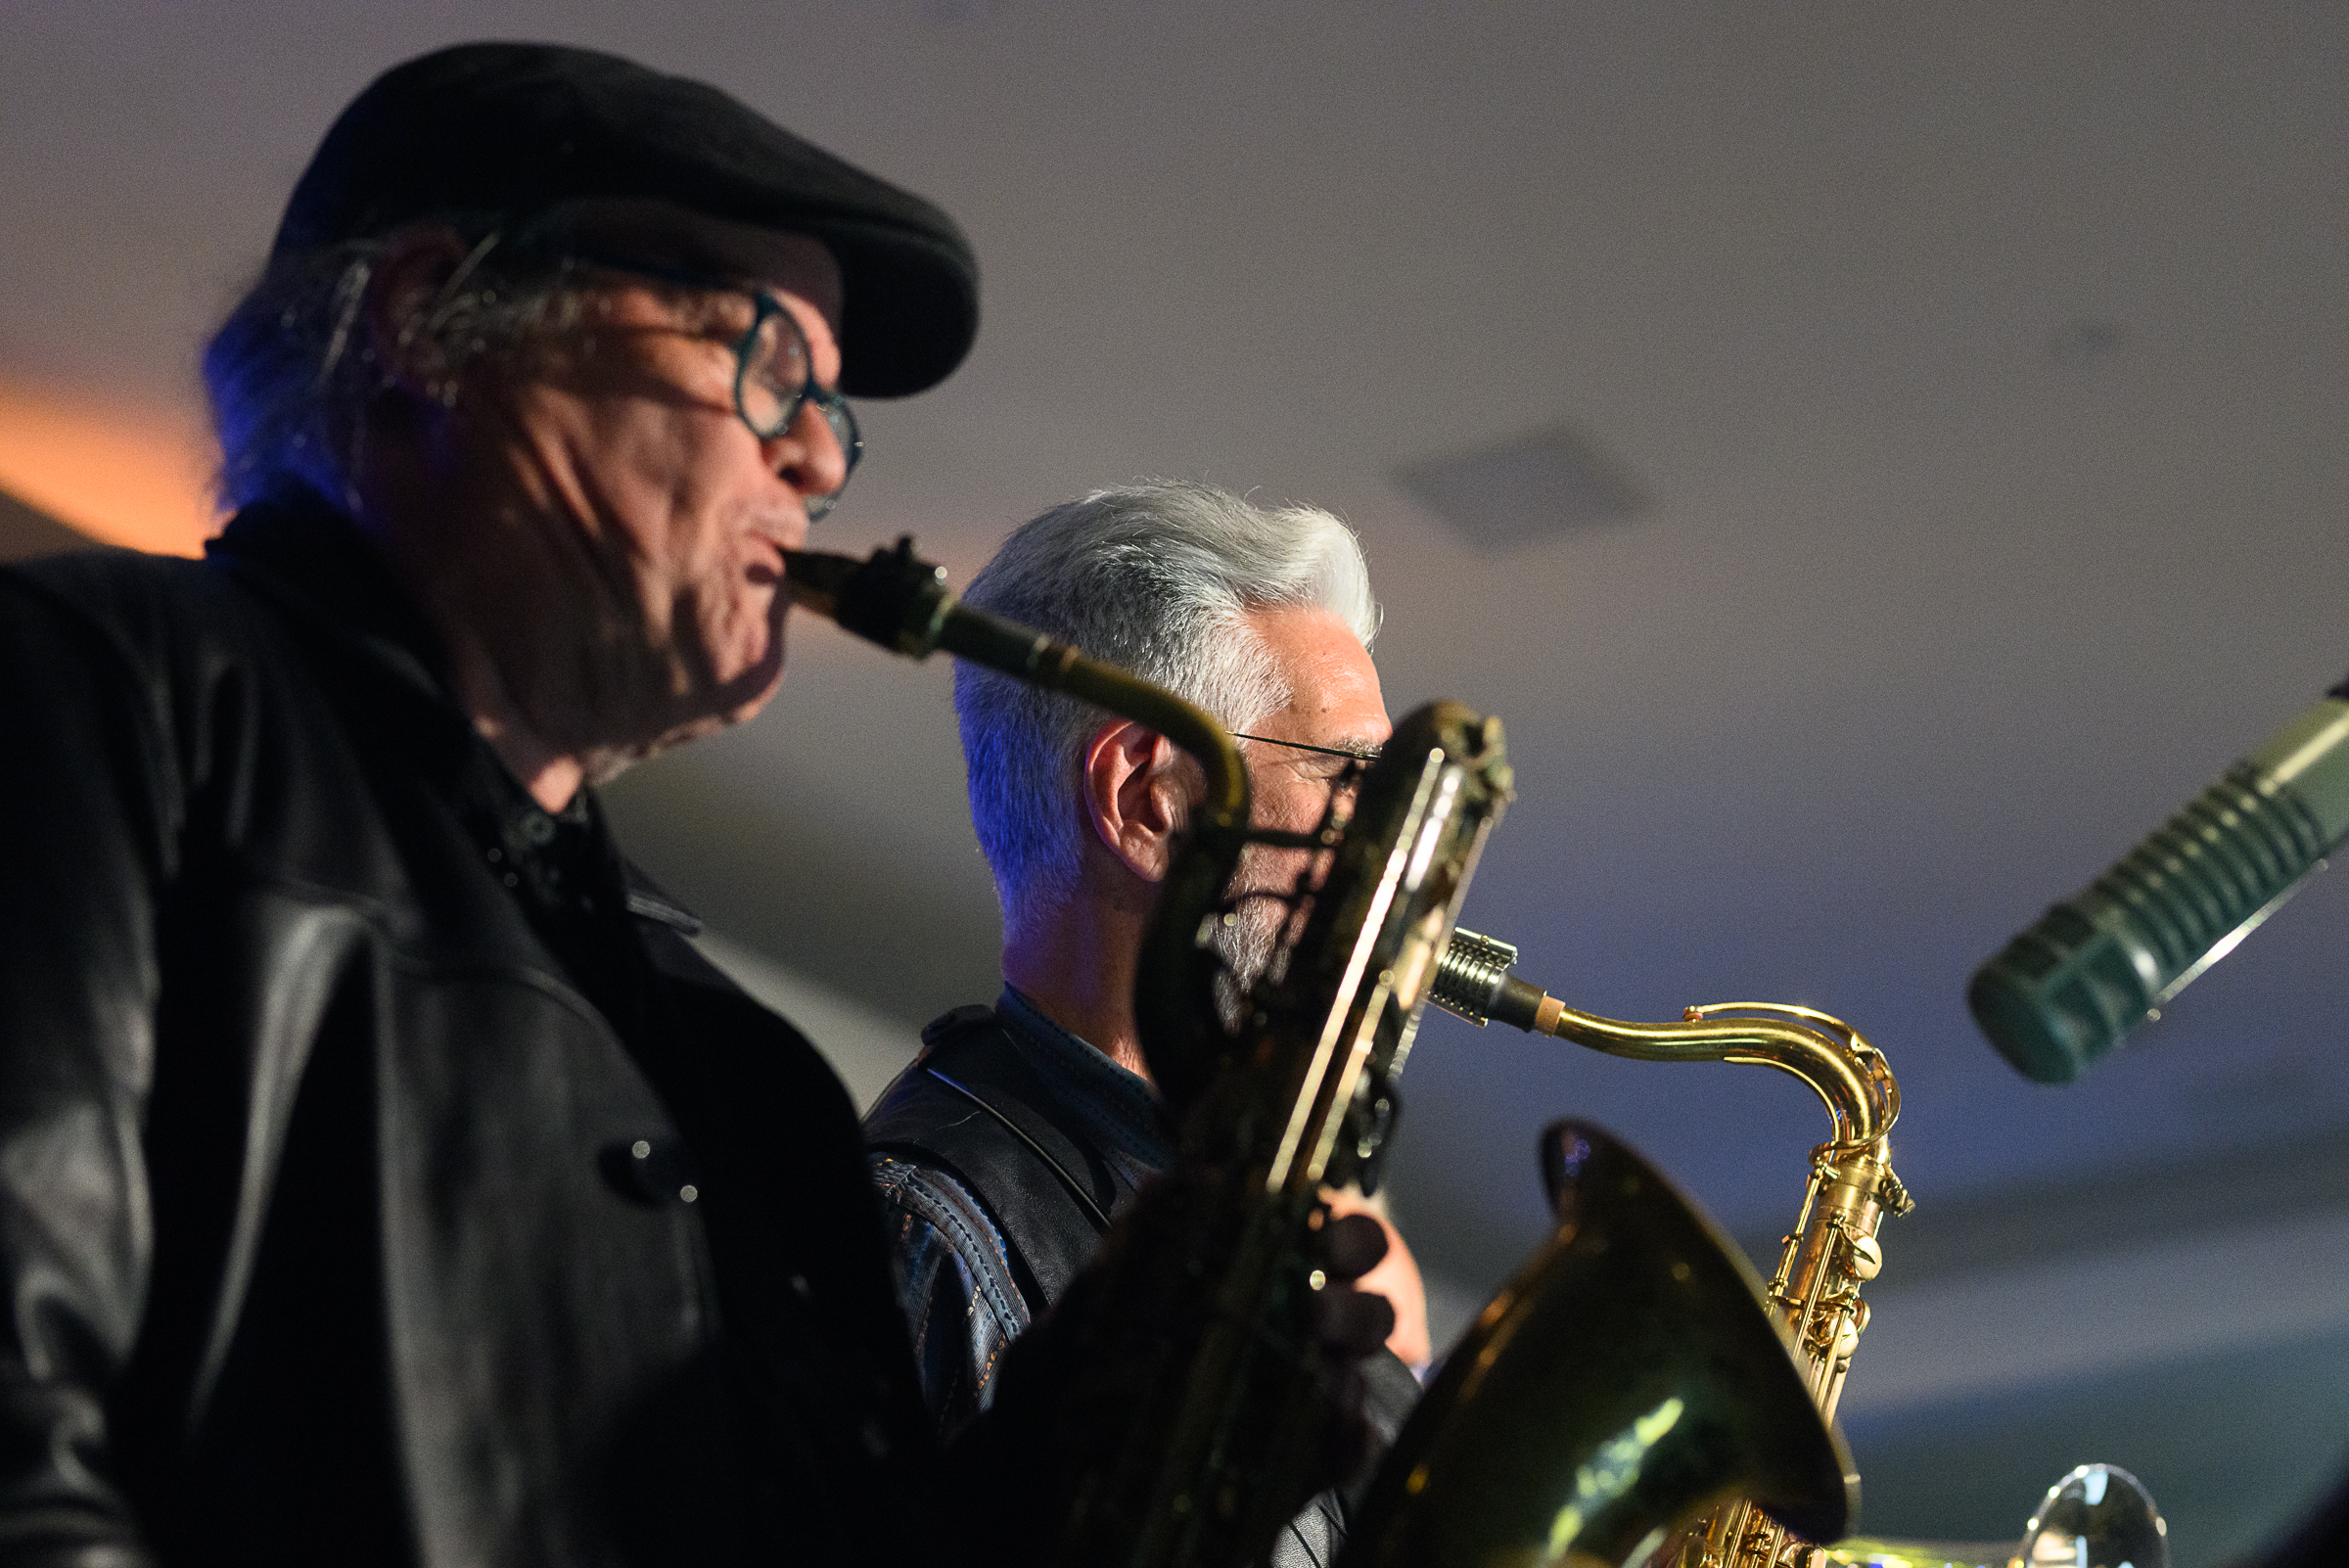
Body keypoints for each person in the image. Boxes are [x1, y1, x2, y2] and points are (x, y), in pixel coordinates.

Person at [0, 47, 1386, 1567]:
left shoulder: (731, 1063)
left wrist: (1080, 1454)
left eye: (829, 412)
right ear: (426, 321)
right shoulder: (94, 696)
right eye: (759, 363)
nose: (813, 461)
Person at [864, 481, 1431, 1565]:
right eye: (1350, 777)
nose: (1392, 857)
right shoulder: (924, 1223)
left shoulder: (1261, 1203)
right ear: (1149, 797)